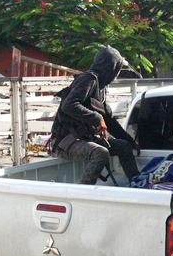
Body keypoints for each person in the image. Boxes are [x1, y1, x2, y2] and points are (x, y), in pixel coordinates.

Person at [50, 46, 140, 185]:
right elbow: (68, 105)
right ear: (111, 67)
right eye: (117, 69)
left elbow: (109, 121)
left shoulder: (100, 87)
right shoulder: (88, 79)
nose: (117, 75)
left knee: (124, 146)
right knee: (100, 153)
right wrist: (97, 118)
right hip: (67, 141)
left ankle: (137, 183)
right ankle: (83, 190)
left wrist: (131, 142)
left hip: (86, 137)